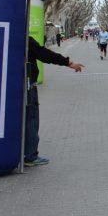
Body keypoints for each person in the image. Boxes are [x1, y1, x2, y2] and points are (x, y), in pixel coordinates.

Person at [25, 36, 84, 166]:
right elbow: (44, 54)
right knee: (31, 118)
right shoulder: (25, 39)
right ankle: (29, 155)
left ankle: (19, 153)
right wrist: (68, 63)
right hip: (27, 85)